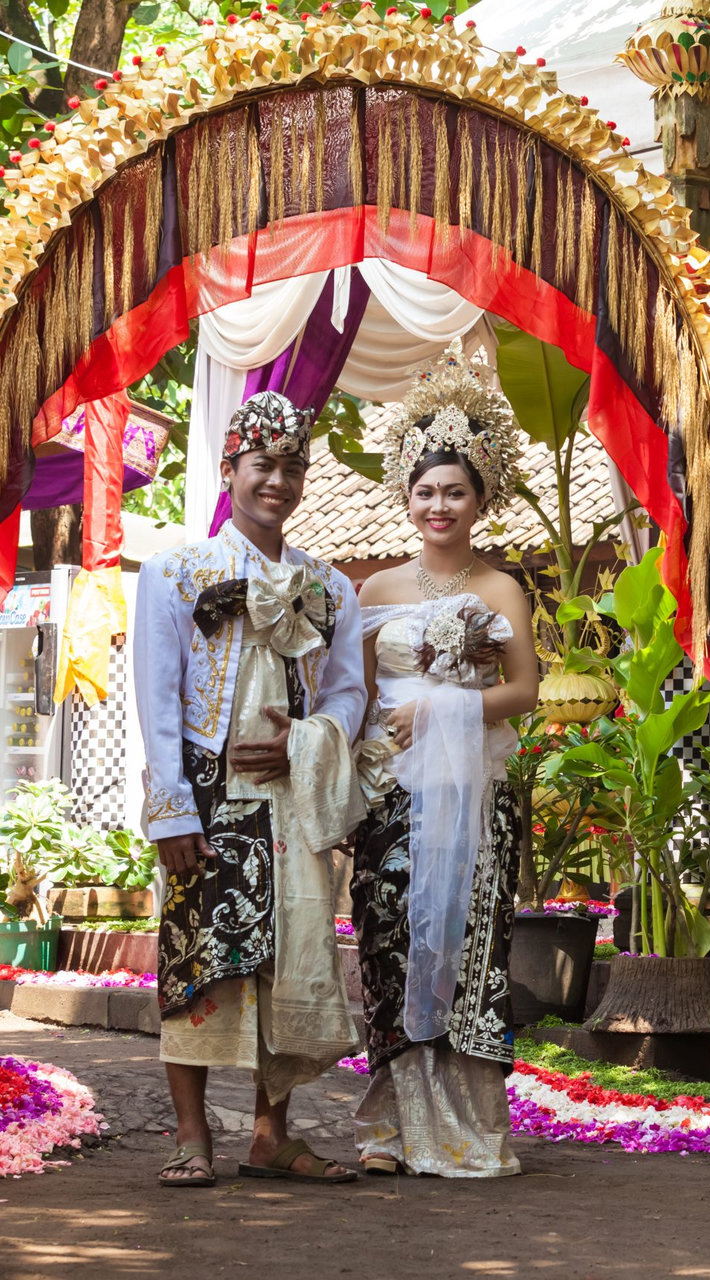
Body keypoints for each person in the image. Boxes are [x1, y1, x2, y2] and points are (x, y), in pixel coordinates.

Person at [133, 390, 366, 1189]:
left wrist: (305, 744)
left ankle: (273, 1136)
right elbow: (156, 697)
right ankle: (191, 1135)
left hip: (290, 794)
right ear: (230, 469)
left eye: (293, 466)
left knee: (290, 958)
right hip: (204, 789)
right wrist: (168, 806)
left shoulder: (332, 588)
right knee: (198, 960)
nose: (279, 480)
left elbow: (348, 694)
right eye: (264, 464)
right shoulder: (175, 573)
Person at [349, 345, 540, 1177]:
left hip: (475, 794)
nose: (439, 505)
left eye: (455, 492)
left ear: (481, 497)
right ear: (406, 496)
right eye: (425, 491)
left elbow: (526, 690)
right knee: (391, 945)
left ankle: (465, 1129)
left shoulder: (501, 590)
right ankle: (391, 1129)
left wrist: (445, 707)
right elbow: (352, 701)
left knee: (469, 947)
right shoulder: (374, 591)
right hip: (390, 797)